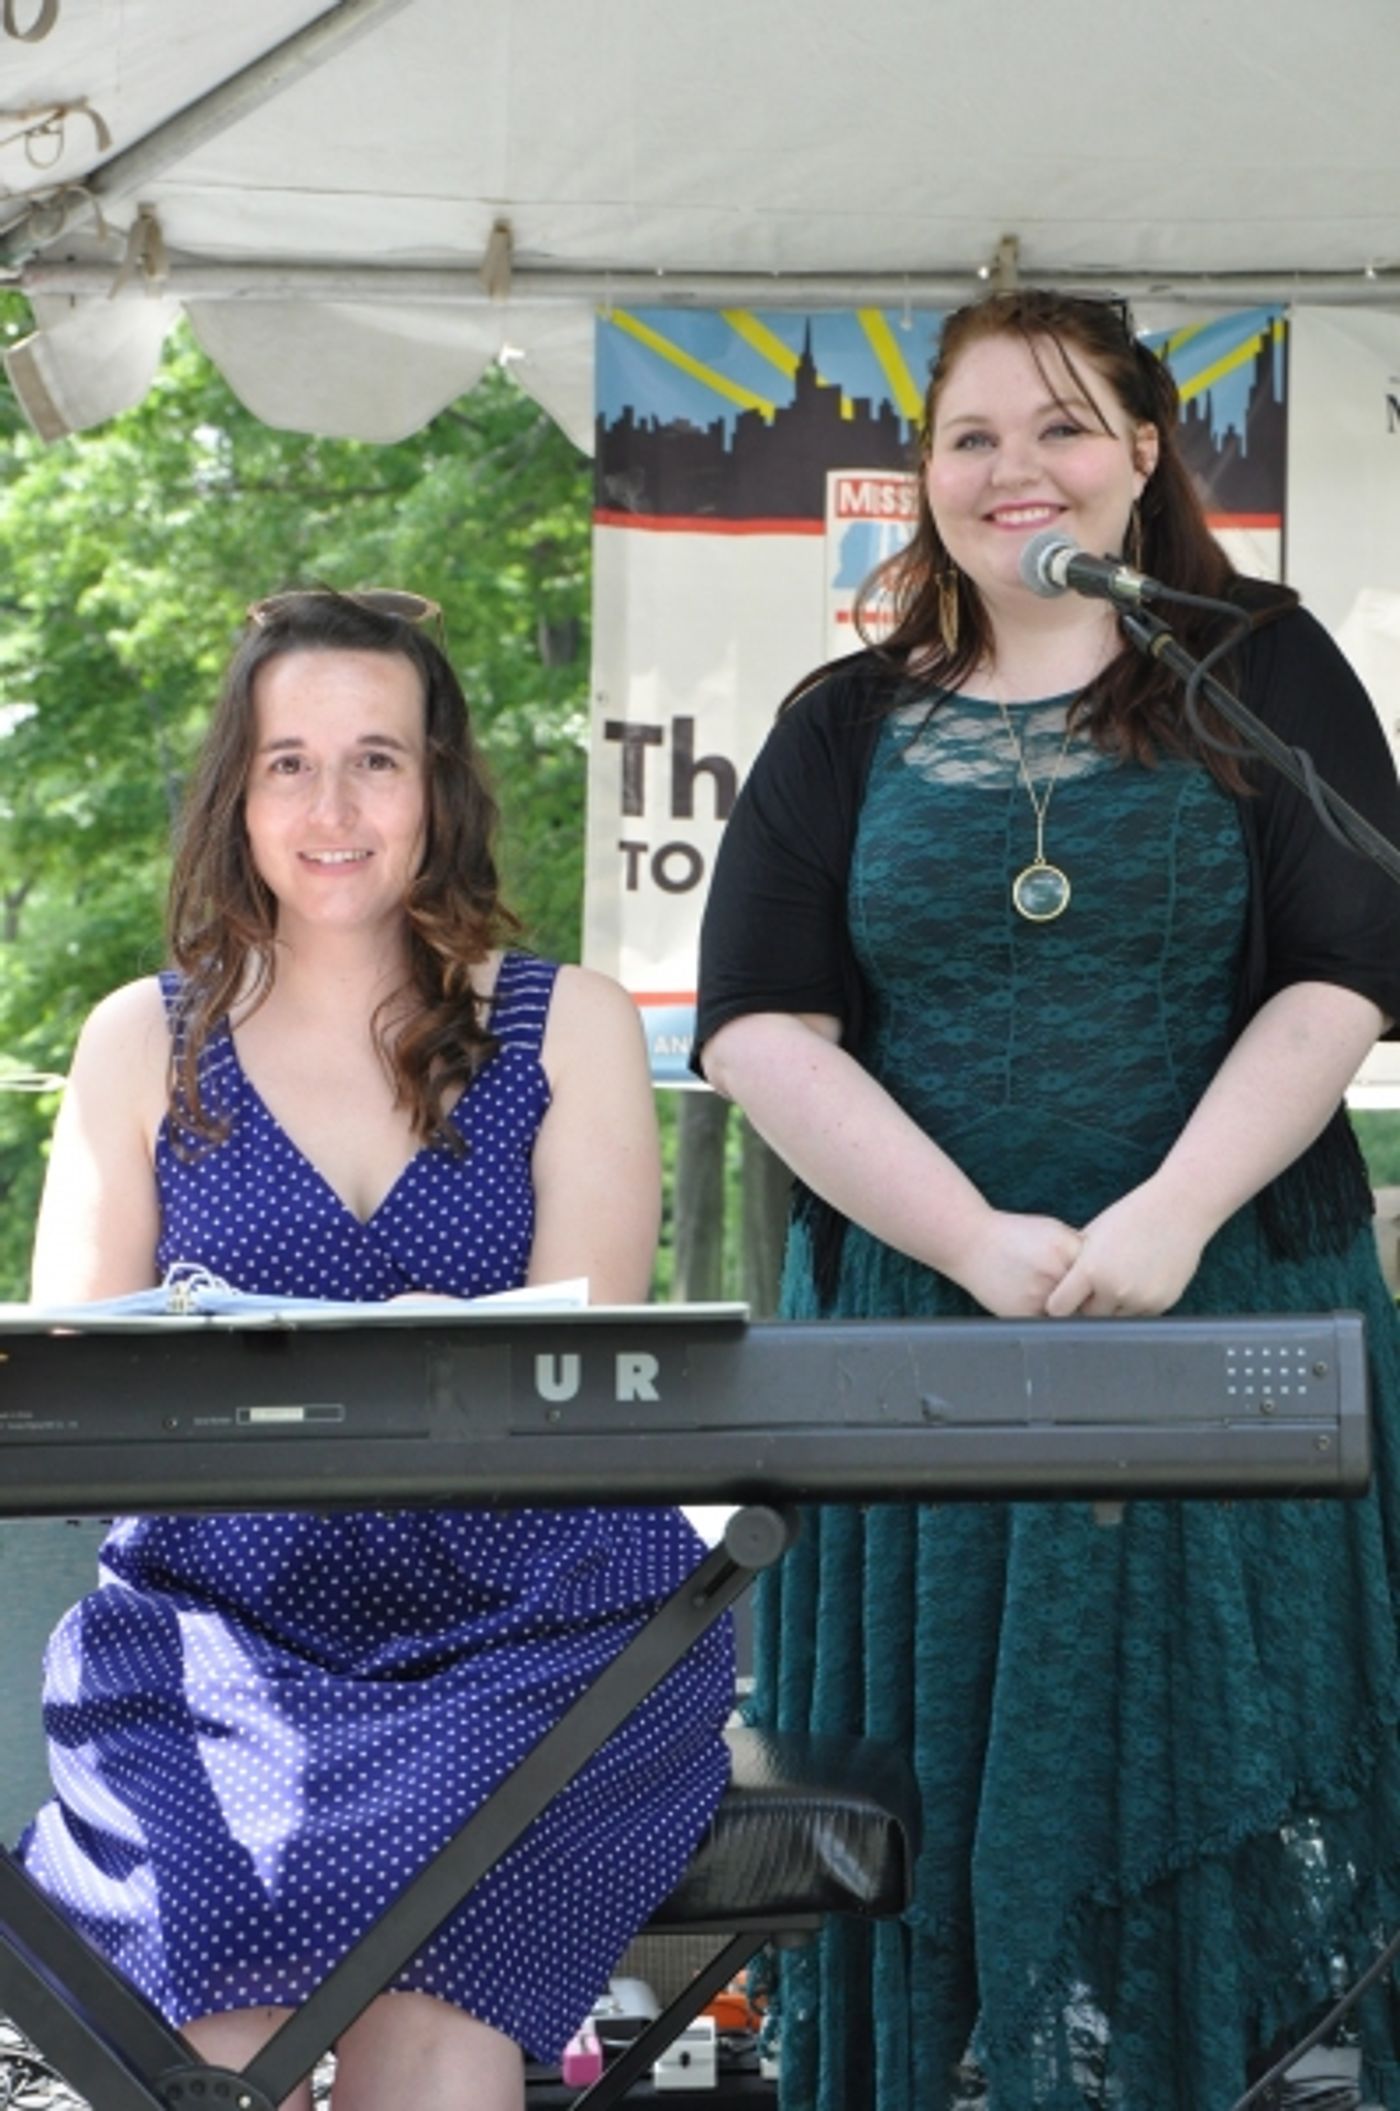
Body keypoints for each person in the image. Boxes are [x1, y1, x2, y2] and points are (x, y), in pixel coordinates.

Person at [693, 290, 1400, 2111]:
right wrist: (970, 1241)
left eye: (1064, 425)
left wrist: (1172, 1213)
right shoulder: (843, 723)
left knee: (1214, 1774)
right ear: (925, 474)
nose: (1019, 469)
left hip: (1231, 1305)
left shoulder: (1262, 666)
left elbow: (1343, 970)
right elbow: (757, 1026)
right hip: (920, 1341)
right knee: (948, 1800)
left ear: (1146, 452)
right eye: (973, 436)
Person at [19, 588, 734, 2111]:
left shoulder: (572, 1024)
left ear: (440, 788)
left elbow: (586, 1364)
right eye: (289, 763)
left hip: (540, 1617)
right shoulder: (139, 1040)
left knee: (434, 2007)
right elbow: (71, 1400)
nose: (331, 808)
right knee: (210, 2045)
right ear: (237, 796)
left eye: (376, 761)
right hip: (219, 1625)